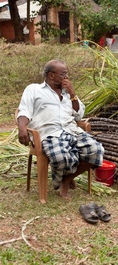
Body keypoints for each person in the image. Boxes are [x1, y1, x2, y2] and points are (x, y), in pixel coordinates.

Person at [17, 59, 104, 199]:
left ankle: (66, 180)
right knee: (60, 157)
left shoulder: (68, 93)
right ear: (51, 75)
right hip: (49, 134)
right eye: (63, 74)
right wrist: (22, 128)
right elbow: (24, 111)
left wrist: (72, 93)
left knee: (96, 150)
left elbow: (79, 114)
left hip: (72, 131)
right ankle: (66, 178)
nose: (66, 77)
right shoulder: (34, 90)